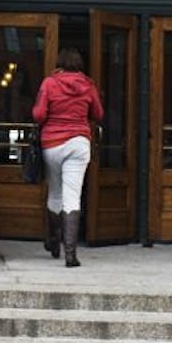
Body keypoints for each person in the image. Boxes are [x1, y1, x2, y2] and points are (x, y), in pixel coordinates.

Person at [33, 48, 105, 268]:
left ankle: (54, 242)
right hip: (79, 143)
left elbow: (38, 115)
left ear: (59, 63)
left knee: (55, 192)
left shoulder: (49, 83)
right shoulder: (88, 85)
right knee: (72, 196)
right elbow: (98, 114)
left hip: (52, 143)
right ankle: (70, 254)